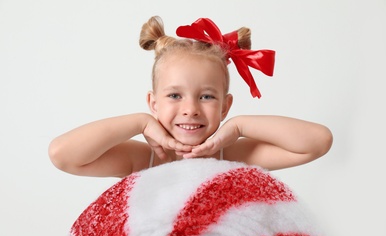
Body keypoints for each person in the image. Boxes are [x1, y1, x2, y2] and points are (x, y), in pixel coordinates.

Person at [48, 16, 333, 178]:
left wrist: (240, 126)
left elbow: (317, 142)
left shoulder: (232, 157)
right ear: (153, 104)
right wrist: (139, 123)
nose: (190, 109)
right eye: (174, 95)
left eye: (207, 97)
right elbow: (63, 155)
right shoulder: (143, 160)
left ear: (225, 107)